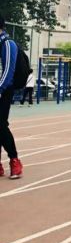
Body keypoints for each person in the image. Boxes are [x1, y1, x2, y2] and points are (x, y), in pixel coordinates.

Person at [0, 16, 23, 179]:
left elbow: (8, 71)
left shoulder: (8, 44)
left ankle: (14, 160)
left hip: (4, 90)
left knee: (1, 125)